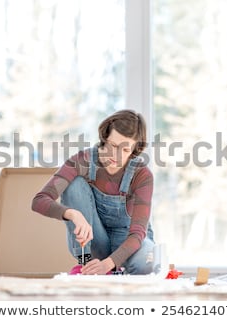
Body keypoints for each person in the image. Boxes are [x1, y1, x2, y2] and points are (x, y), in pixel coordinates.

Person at [31, 109, 155, 275]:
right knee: (74, 183)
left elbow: (138, 233)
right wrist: (73, 214)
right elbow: (39, 200)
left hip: (127, 242)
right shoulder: (82, 161)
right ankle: (86, 265)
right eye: (113, 145)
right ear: (105, 137)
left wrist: (108, 264)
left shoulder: (142, 175)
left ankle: (116, 271)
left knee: (147, 260)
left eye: (125, 150)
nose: (116, 156)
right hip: (95, 243)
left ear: (133, 150)